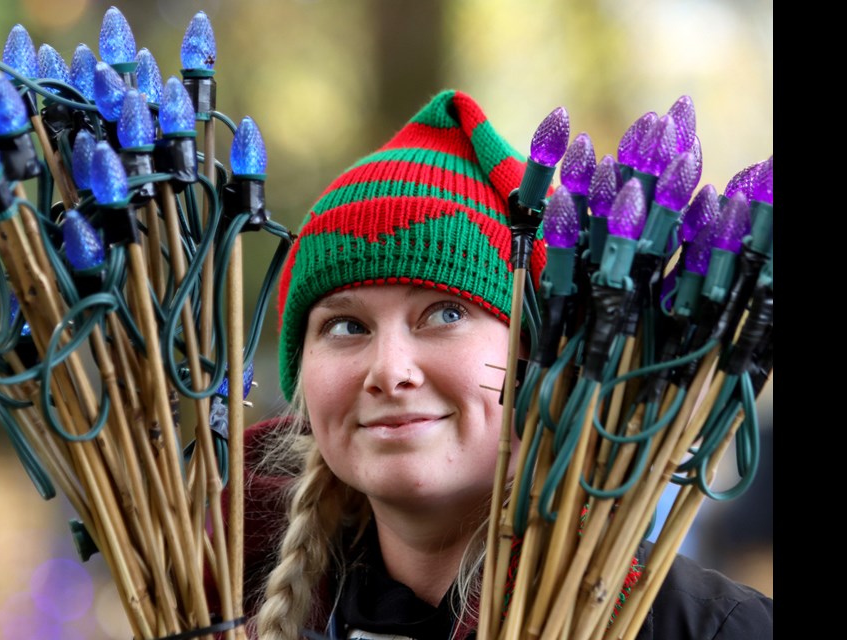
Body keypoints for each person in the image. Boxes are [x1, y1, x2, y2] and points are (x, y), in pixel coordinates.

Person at [227, 90, 773, 640]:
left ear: (542, 360)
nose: (389, 371)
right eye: (346, 326)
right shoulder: (234, 616)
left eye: (444, 313)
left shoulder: (718, 630)